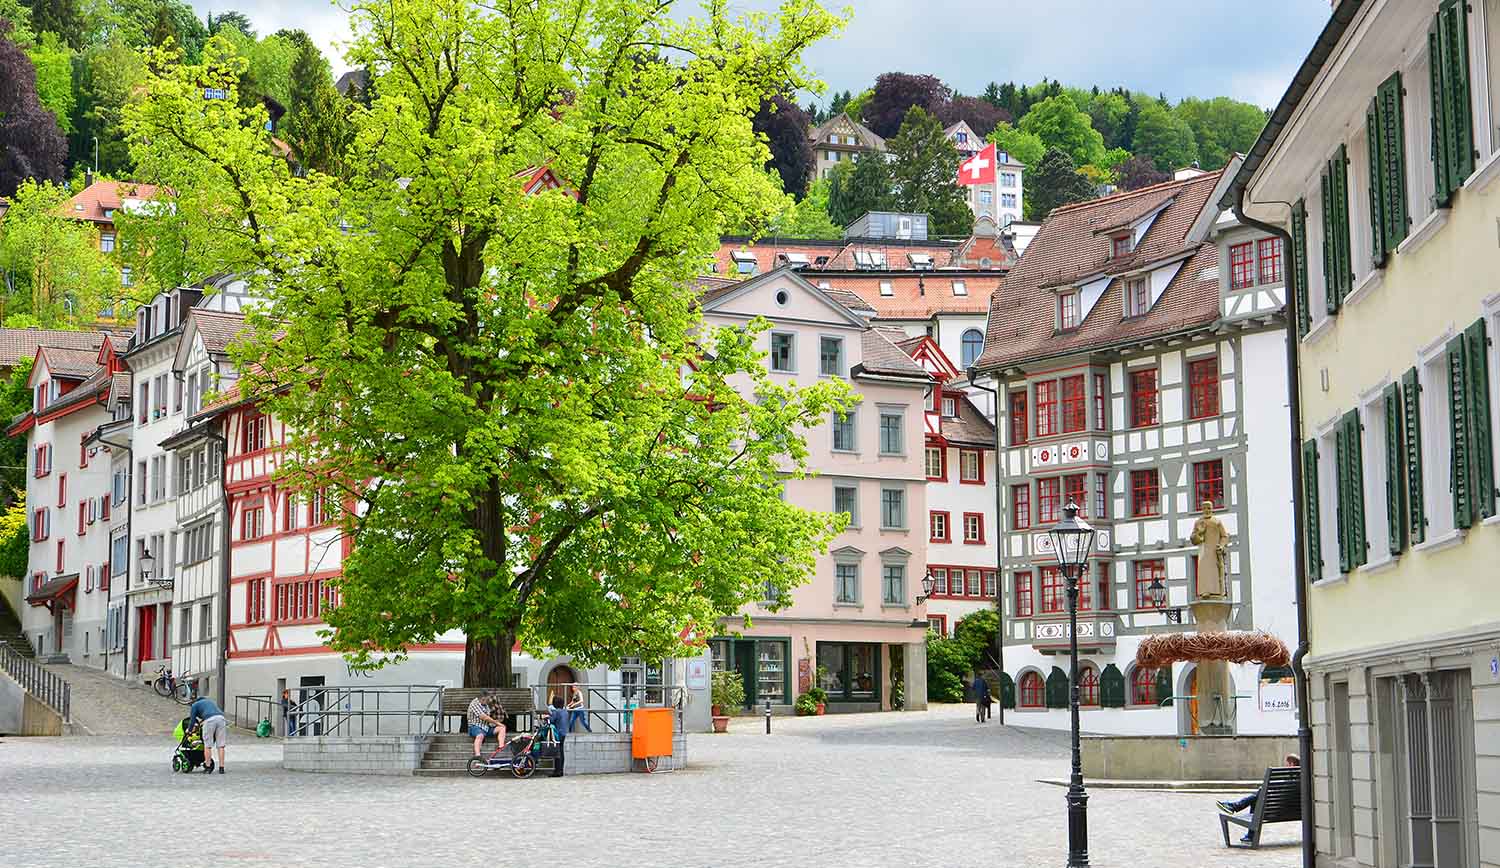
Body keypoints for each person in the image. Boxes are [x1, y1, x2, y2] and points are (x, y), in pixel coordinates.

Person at [1217, 754, 1300, 842]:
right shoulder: (1301, 780)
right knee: (1258, 797)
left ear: (1291, 765)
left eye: (1287, 764)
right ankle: (1235, 807)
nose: (1285, 766)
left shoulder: (1289, 782)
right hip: (1294, 813)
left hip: (1275, 813)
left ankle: (1235, 807)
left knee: (1259, 795)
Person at [185, 695, 228, 774]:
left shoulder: (195, 705)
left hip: (210, 721)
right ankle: (221, 768)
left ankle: (208, 767)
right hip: (221, 719)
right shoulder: (209, 702)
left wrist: (189, 731)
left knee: (207, 745)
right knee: (221, 745)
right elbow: (210, 715)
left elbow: (192, 721)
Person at [467, 691, 507, 758]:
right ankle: (477, 755)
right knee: (480, 735)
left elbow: (489, 717)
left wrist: (497, 724)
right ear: (482, 699)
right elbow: (484, 717)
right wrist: (497, 723)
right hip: (475, 726)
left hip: (486, 727)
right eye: (487, 700)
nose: (488, 701)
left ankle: (501, 747)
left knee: (502, 728)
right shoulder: (474, 704)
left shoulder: (486, 705)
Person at [546, 695, 568, 777]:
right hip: (564, 733)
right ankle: (561, 770)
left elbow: (551, 721)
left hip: (558, 734)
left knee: (557, 752)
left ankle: (557, 771)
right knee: (561, 752)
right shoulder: (565, 711)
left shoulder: (556, 711)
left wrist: (547, 717)